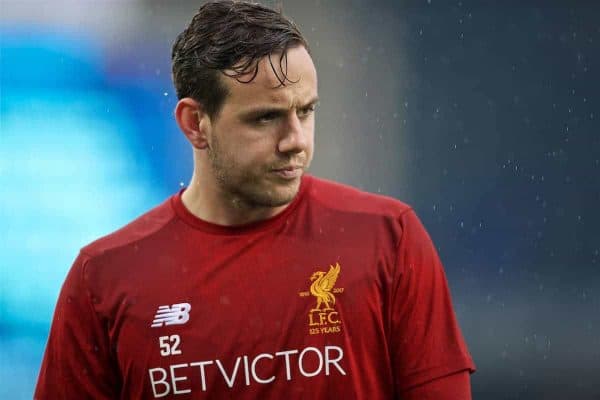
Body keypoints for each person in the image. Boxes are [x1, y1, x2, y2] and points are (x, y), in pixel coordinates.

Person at [35, 1, 476, 398]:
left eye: (305, 111)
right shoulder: (104, 278)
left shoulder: (388, 238)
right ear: (194, 124)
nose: (295, 141)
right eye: (266, 118)